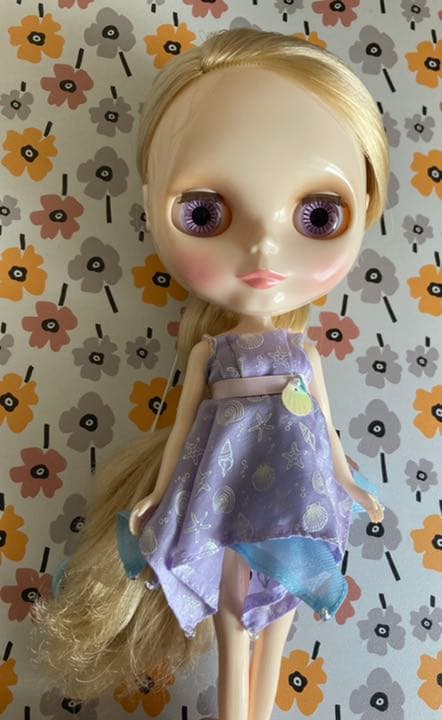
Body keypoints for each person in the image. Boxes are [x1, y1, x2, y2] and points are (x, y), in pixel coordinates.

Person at [35, 27, 389, 720]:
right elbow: (182, 430)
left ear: (366, 209)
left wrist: (350, 484)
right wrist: (156, 494)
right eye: (205, 213)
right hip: (225, 479)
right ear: (151, 204)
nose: (262, 246)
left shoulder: (303, 354)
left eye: (318, 215)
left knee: (281, 608)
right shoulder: (211, 352)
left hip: (298, 486)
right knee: (232, 610)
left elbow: (325, 429)